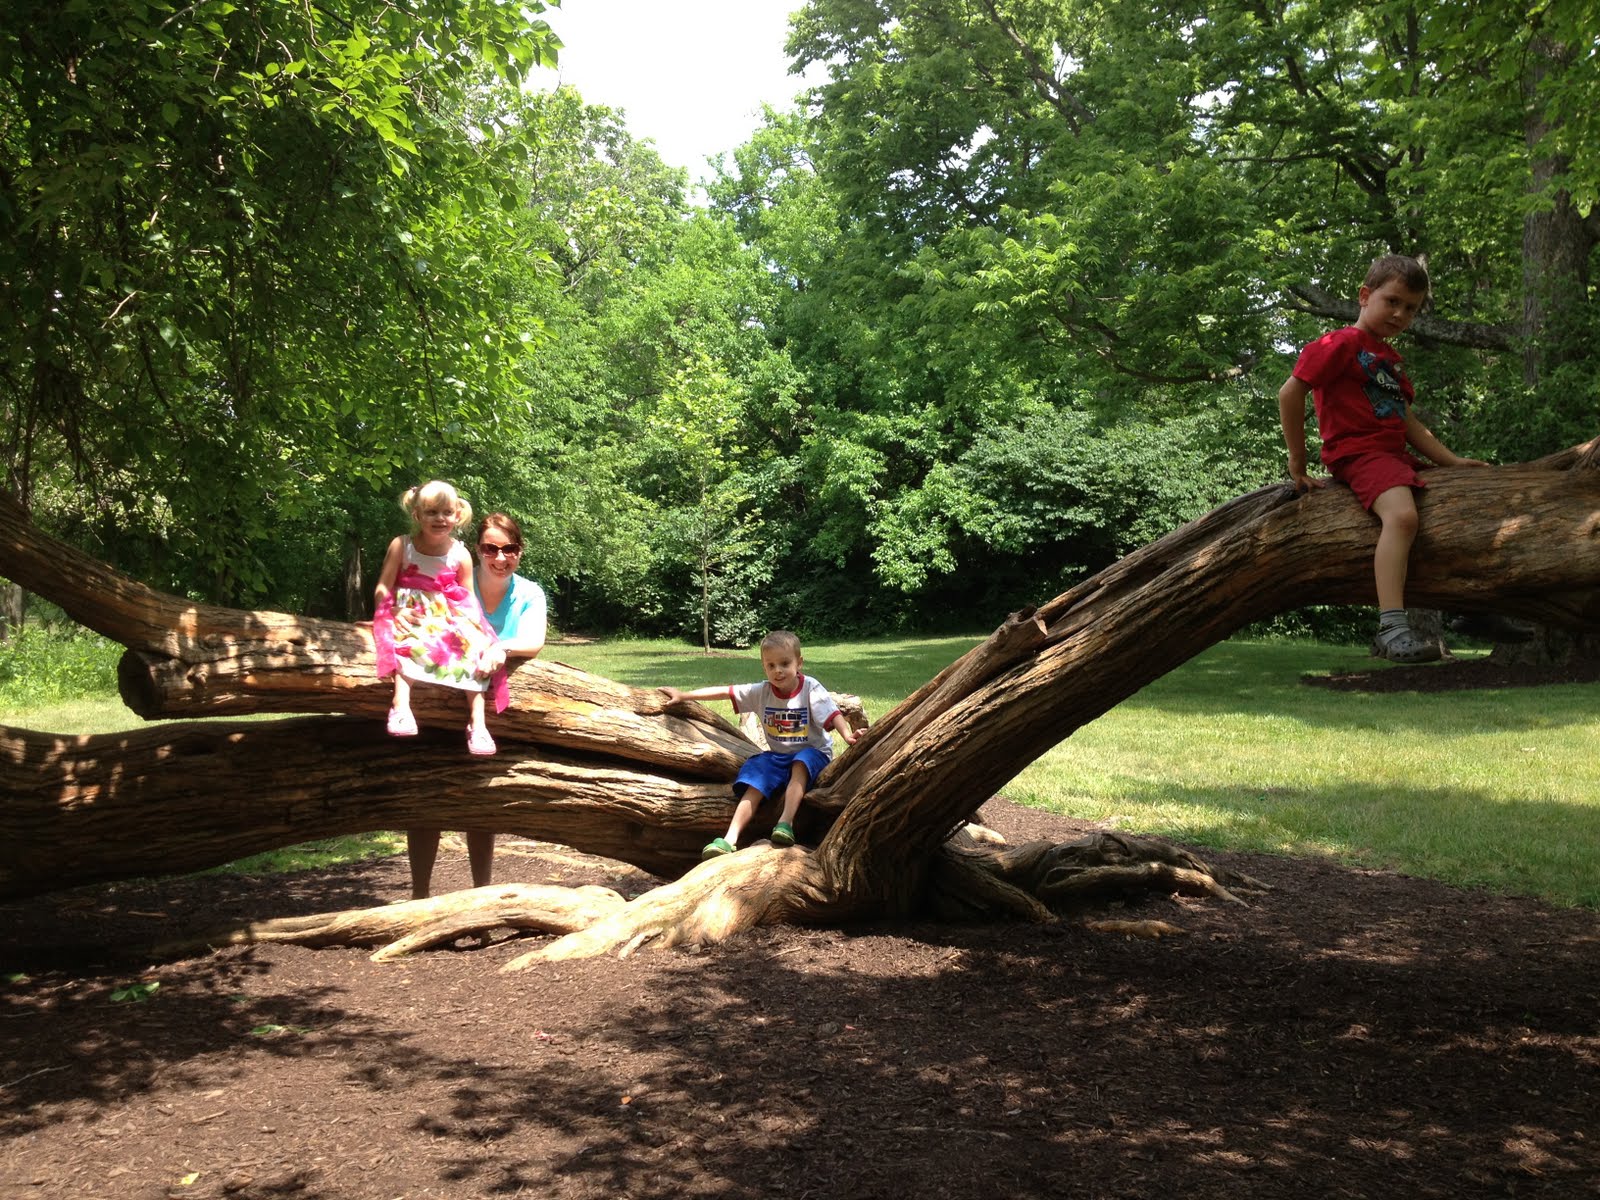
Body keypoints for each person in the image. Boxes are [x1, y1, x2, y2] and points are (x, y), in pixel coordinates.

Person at [1277, 254, 1491, 663]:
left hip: (1395, 457)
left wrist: (1452, 462)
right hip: (1359, 453)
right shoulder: (1339, 344)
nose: (1400, 314)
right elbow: (1290, 393)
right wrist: (1297, 462)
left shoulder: (1389, 361)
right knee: (1403, 518)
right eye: (1392, 301)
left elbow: (1408, 422)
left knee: (1466, 503)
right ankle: (1392, 628)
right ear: (1364, 296)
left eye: (1410, 308)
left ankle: (1476, 609)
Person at [406, 512, 549, 899]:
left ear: (520, 551)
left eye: (509, 549)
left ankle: (480, 897)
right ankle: (419, 897)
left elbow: (534, 641)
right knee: (427, 800)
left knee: (482, 804)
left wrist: (501, 647)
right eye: (490, 548)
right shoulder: (457, 585)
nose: (500, 557)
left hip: (493, 716)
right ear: (477, 550)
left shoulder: (529, 593)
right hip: (439, 704)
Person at [659, 629, 858, 860]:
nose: (778, 670)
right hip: (779, 756)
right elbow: (725, 691)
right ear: (764, 667)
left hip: (813, 753)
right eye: (770, 665)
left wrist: (847, 735)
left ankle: (785, 823)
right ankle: (729, 838)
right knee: (756, 776)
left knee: (800, 763)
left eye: (784, 663)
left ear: (799, 663)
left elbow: (833, 714)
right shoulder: (761, 692)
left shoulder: (810, 688)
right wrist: (684, 695)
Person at [373, 480, 506, 756]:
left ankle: (478, 723)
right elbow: (383, 586)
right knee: (410, 641)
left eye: (447, 512)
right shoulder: (402, 545)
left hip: (447, 614)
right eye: (431, 512)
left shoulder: (460, 553)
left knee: (474, 650)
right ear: (417, 515)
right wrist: (391, 610)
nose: (440, 519)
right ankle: (400, 706)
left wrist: (474, 630)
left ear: (457, 515)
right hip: (411, 612)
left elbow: (468, 598)